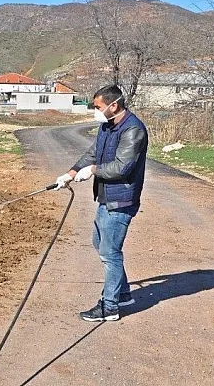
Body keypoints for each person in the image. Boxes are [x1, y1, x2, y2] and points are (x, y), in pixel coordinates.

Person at [55, 85, 149, 322]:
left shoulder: (133, 130)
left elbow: (122, 166)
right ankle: (123, 293)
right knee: (100, 243)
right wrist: (71, 172)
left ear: (113, 105)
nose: (95, 111)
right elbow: (93, 152)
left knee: (110, 252)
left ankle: (110, 307)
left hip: (122, 199)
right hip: (106, 197)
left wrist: (93, 171)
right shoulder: (107, 126)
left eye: (98, 107)